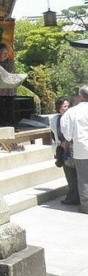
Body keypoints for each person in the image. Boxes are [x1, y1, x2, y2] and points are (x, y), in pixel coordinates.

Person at [61, 85, 88, 214]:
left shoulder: (73, 111)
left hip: (82, 147)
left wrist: (69, 138)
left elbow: (66, 133)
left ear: (80, 96)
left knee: (83, 177)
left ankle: (86, 205)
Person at [50, 96, 80, 205]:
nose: (66, 108)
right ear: (58, 108)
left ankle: (77, 196)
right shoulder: (55, 119)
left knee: (78, 175)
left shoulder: (74, 117)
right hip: (63, 150)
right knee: (69, 175)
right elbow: (53, 134)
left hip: (75, 149)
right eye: (64, 106)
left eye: (68, 106)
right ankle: (73, 196)